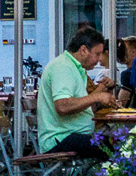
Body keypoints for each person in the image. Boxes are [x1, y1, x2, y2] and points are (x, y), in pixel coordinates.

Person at [37, 25, 119, 158]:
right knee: (115, 144)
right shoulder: (63, 67)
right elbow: (62, 106)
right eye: (97, 53)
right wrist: (97, 97)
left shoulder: (75, 68)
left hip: (70, 136)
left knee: (115, 141)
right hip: (60, 139)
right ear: (83, 50)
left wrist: (100, 92)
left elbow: (82, 106)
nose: (99, 59)